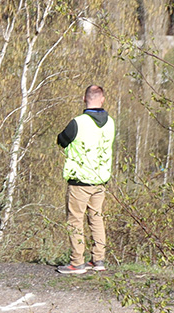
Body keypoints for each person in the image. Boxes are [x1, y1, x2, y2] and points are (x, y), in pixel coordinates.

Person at [56, 84, 117, 275]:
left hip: (80, 181)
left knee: (75, 221)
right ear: (102, 99)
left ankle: (77, 262)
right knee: (96, 219)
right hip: (100, 181)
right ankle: (98, 260)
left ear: (84, 99)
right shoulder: (111, 123)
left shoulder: (78, 123)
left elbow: (61, 140)